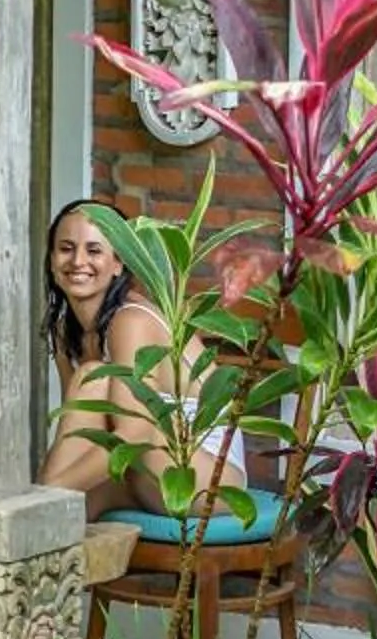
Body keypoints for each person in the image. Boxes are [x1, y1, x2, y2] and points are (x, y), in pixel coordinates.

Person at [35, 199, 245, 521]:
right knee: (66, 517)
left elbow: (136, 431)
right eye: (65, 248)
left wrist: (48, 490)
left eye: (94, 251)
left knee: (95, 378)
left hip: (205, 478)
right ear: (51, 260)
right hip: (142, 470)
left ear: (119, 263)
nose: (78, 261)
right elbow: (78, 429)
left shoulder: (130, 321)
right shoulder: (65, 330)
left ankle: (36, 503)